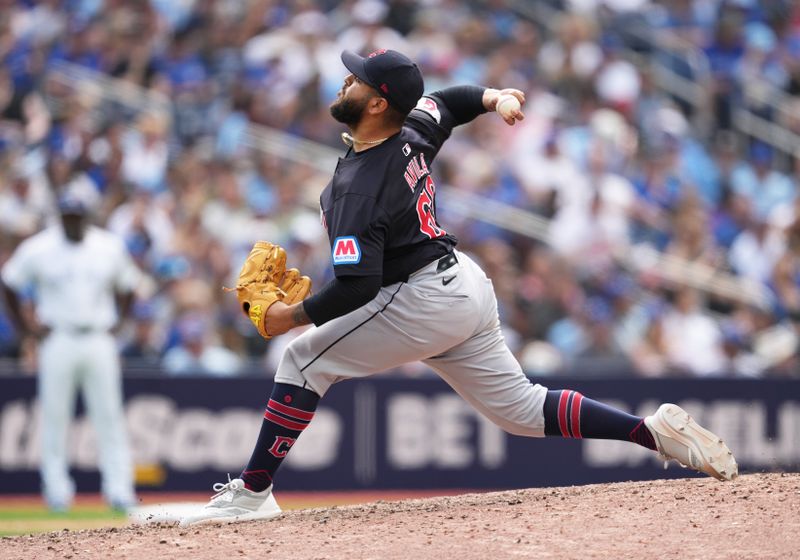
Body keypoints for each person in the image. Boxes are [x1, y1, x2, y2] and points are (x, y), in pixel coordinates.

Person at [182, 49, 738, 525]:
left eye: (353, 79)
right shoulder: (408, 133)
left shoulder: (359, 187)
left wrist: (289, 316)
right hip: (461, 285)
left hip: (424, 296)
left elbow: (357, 287)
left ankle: (253, 493)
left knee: (303, 359)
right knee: (520, 411)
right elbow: (447, 102)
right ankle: (652, 432)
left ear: (377, 103)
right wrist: (495, 98)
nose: (343, 82)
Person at [0, 193, 141, 512]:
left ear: (87, 217)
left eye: (78, 216)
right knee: (54, 416)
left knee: (110, 416)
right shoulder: (40, 247)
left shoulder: (108, 246)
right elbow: (9, 283)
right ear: (60, 217)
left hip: (98, 336)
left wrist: (119, 325)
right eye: (68, 216)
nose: (73, 222)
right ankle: (57, 491)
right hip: (58, 336)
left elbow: (130, 285)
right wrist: (28, 329)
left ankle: (119, 489)